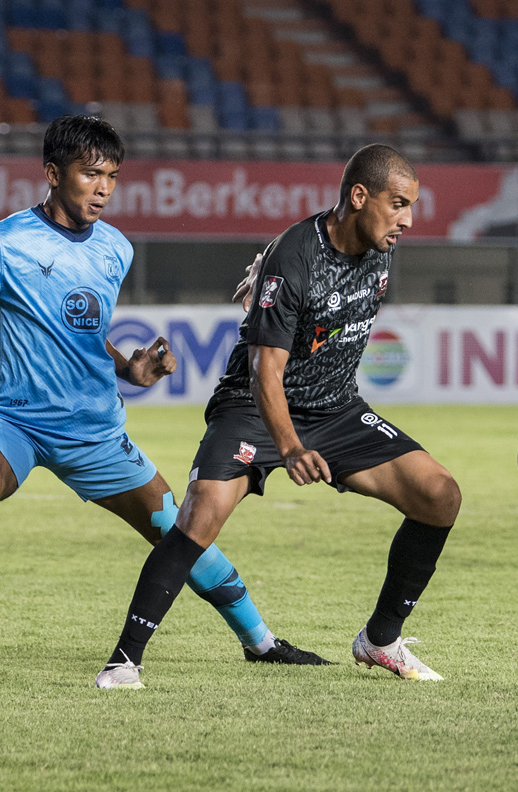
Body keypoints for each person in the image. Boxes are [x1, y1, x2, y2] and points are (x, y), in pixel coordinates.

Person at [0, 115, 328, 682]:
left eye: (112, 176)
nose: (103, 188)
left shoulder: (116, 249)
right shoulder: (5, 241)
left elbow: (86, 334)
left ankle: (260, 642)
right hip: (11, 418)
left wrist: (129, 367)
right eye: (90, 174)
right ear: (53, 173)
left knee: (180, 528)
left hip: (93, 430)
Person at [94, 143, 460, 689]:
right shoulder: (296, 257)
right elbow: (265, 372)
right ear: (360, 197)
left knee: (439, 495)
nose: (408, 220)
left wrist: (262, 274)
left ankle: (381, 639)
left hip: (335, 409)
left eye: (412, 207)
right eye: (399, 204)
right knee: (200, 514)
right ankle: (124, 661)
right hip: (253, 408)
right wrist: (289, 447)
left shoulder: (377, 247)